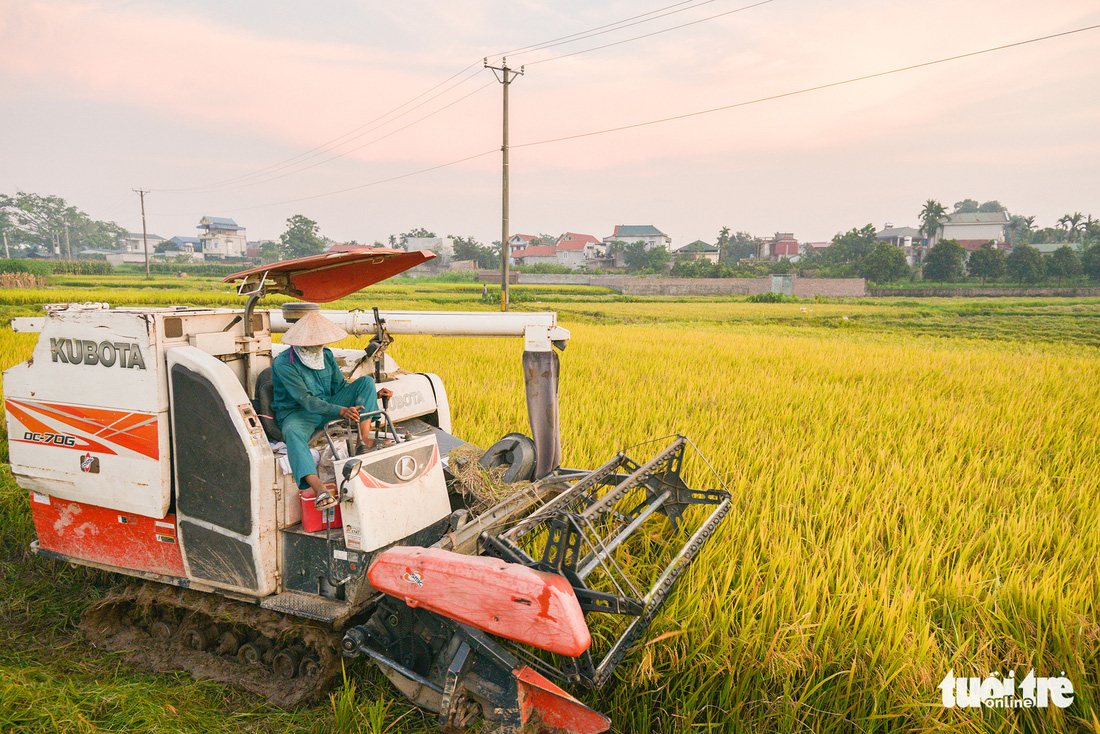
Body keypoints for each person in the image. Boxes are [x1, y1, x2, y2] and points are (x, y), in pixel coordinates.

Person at [273, 310, 391, 509]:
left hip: (329, 405)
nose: (318, 346)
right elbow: (306, 400)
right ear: (301, 342)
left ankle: (363, 440)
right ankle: (319, 489)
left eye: (321, 342)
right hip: (300, 413)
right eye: (314, 343)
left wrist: (373, 394)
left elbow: (341, 388)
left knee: (366, 383)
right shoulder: (284, 364)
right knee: (292, 433)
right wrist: (341, 410)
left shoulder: (325, 355)